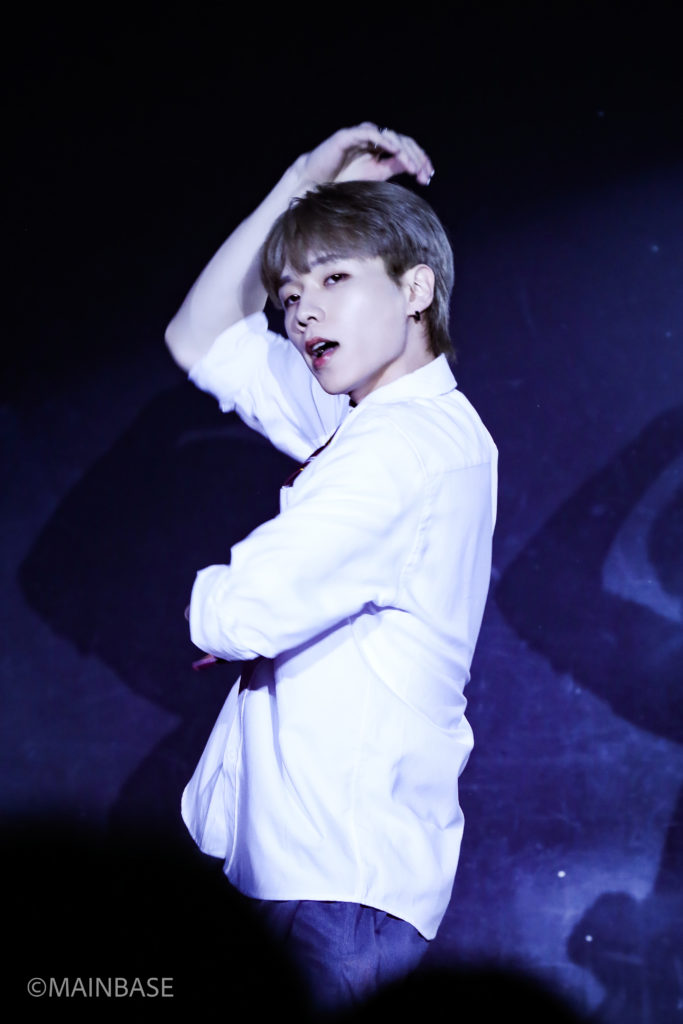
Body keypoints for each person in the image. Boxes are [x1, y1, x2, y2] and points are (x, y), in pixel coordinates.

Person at [165, 123, 498, 1013]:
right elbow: (202, 337)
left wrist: (221, 605)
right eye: (289, 294)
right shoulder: (373, 421)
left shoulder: (398, 448)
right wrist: (302, 183)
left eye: (334, 280)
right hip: (314, 875)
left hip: (329, 889)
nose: (300, 311)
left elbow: (240, 612)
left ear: (415, 289)